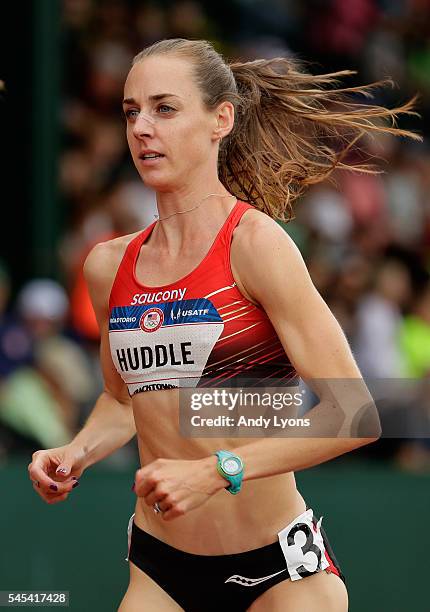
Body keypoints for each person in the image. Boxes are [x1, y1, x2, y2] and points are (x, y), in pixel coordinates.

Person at [28, 38, 418, 611]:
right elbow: (121, 399)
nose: (141, 128)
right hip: (161, 570)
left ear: (221, 119)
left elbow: (354, 413)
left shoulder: (256, 246)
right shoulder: (108, 265)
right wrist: (76, 453)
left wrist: (218, 470)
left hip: (277, 572)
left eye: (164, 108)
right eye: (131, 111)